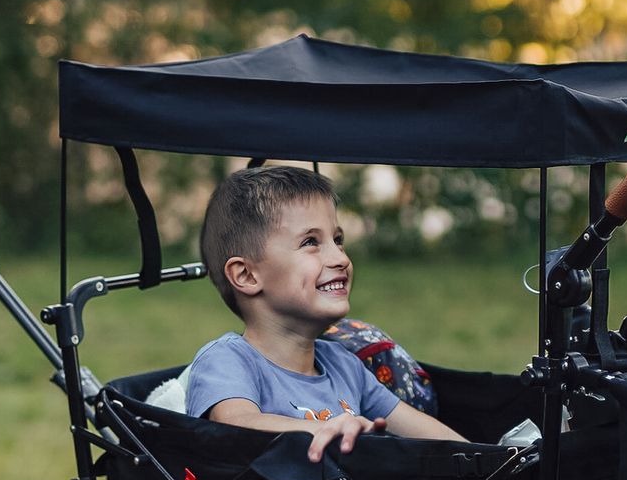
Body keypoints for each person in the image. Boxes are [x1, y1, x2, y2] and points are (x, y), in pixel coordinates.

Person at [188, 166, 464, 460]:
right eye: (310, 242)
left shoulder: (344, 365)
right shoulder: (228, 360)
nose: (340, 258)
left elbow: (432, 435)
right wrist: (320, 429)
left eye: (338, 240)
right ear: (246, 275)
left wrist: (496, 462)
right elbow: (236, 424)